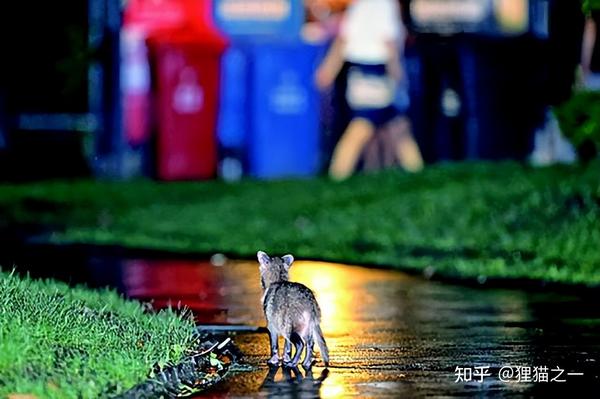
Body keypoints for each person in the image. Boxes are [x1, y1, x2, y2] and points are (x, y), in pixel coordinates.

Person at [315, 0, 422, 180]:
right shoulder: (384, 6)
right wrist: (399, 76)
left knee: (397, 127)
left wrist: (328, 70)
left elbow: (343, 39)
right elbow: (389, 44)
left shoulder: (360, 5)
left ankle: (418, 173)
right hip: (378, 72)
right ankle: (338, 176)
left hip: (358, 71)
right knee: (362, 127)